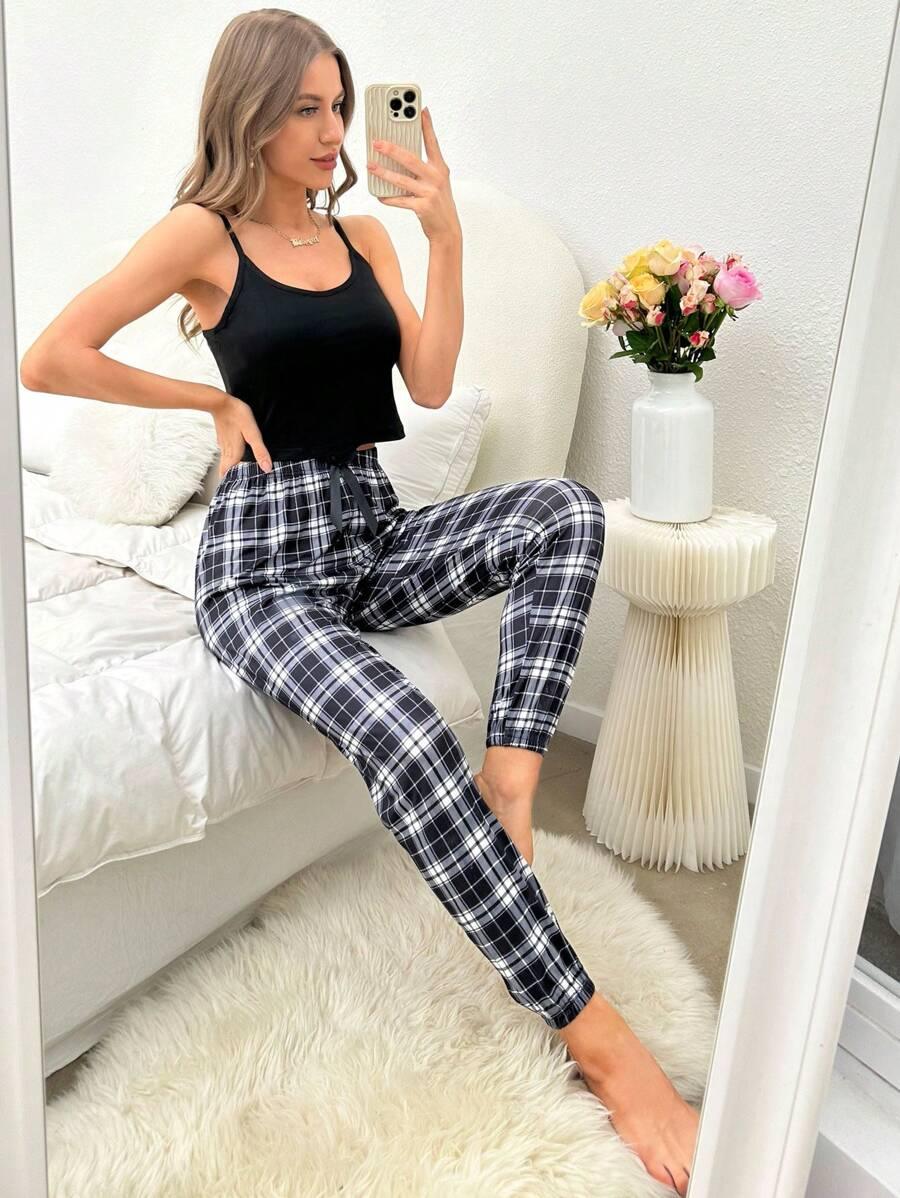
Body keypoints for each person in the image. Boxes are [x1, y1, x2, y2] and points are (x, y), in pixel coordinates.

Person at [19, 9, 697, 1193]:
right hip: (261, 570)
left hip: (369, 530)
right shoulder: (205, 233)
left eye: (341, 105)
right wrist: (209, 405)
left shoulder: (366, 235)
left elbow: (429, 382)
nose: (333, 130)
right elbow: (52, 354)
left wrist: (444, 236)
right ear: (251, 114)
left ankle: (510, 782)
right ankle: (595, 1033)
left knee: (564, 512)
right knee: (403, 725)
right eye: (307, 109)